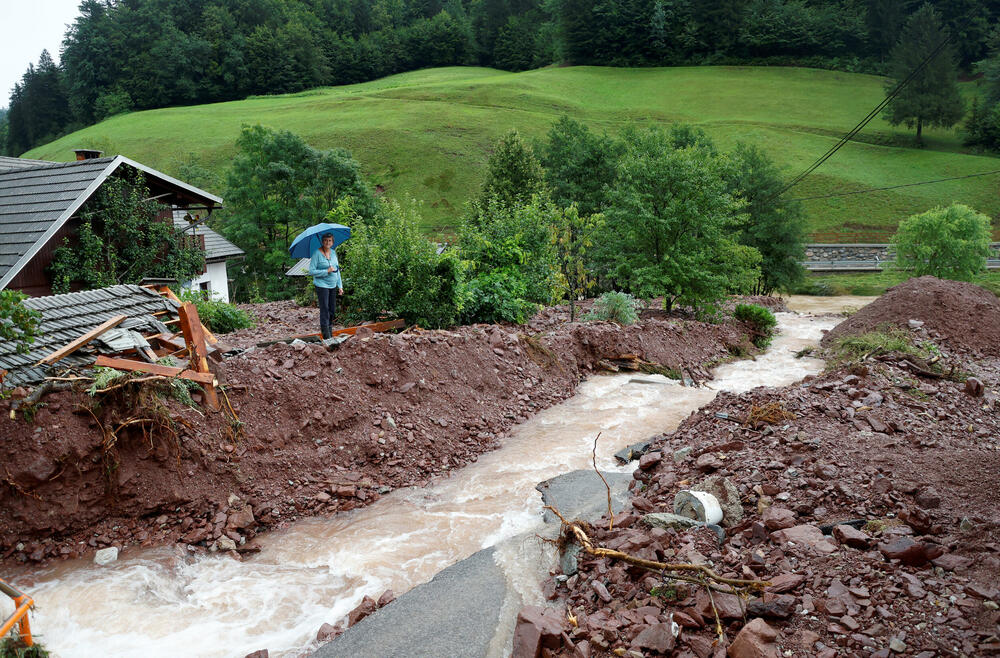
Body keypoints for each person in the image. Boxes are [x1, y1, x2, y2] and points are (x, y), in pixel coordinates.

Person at [308, 233, 344, 339]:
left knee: (332, 310)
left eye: (329, 240)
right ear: (322, 241)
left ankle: (330, 332)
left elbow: (337, 270)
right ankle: (327, 336)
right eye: (325, 240)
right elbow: (311, 271)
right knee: (325, 309)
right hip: (322, 285)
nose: (327, 242)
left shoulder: (333, 253)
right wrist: (326, 271)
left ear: (332, 242)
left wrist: (340, 286)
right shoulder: (316, 253)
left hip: (333, 285)